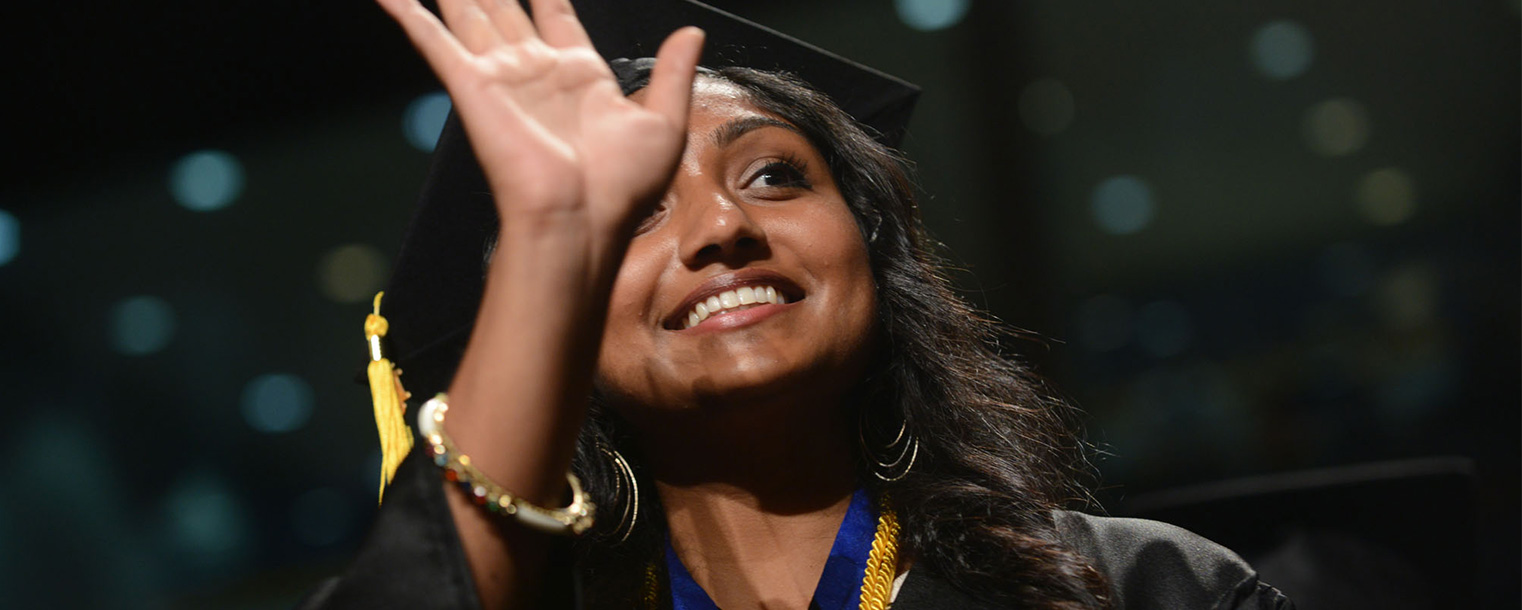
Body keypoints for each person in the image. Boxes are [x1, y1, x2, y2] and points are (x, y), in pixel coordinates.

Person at [302, 0, 1295, 608]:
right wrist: (555, 231)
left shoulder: (1136, 591)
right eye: (635, 214)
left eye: (774, 175)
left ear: (874, 251)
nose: (720, 229)